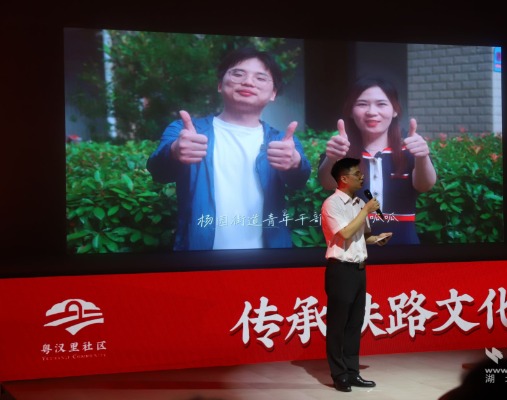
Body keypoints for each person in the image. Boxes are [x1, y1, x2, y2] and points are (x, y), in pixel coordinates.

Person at [147, 47, 311, 251]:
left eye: (260, 78)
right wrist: (174, 152)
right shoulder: (185, 132)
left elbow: (299, 181)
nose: (248, 82)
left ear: (273, 93)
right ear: (219, 84)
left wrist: (295, 164)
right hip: (199, 257)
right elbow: (159, 172)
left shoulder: (282, 141)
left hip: (269, 258)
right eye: (238, 74)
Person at [318, 77, 436, 245]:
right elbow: (327, 183)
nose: (372, 111)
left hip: (404, 248)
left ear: (395, 110)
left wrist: (422, 157)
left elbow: (425, 185)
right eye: (362, 104)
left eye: (381, 104)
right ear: (351, 111)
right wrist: (332, 158)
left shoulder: (411, 149)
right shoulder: (340, 149)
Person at [320, 157, 393, 392]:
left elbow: (362, 235)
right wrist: (366, 210)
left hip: (359, 270)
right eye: (357, 174)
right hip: (340, 270)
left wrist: (377, 239)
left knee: (354, 324)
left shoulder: (359, 202)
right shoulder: (332, 204)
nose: (362, 177)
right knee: (338, 325)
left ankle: (353, 373)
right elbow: (344, 233)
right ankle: (339, 374)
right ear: (343, 179)